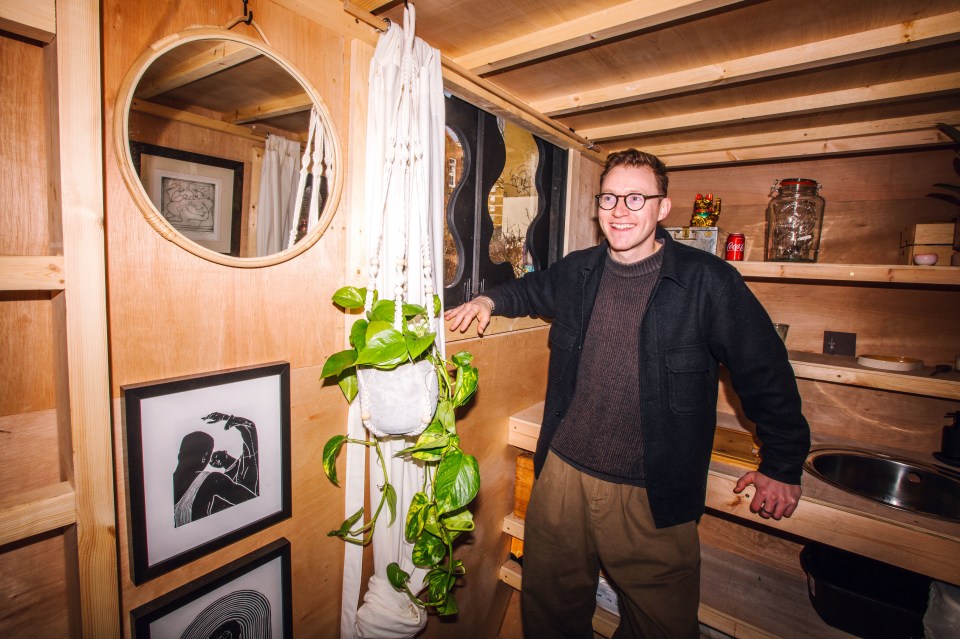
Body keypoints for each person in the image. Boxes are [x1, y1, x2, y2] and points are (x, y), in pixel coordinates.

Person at [445, 149, 810, 639]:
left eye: (636, 198)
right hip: (564, 480)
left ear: (663, 208)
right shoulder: (578, 270)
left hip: (652, 492)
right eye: (610, 197)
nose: (621, 210)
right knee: (549, 611)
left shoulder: (708, 281)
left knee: (662, 627)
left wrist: (782, 465)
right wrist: (489, 298)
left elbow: (765, 372)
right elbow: (530, 290)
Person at [173, 412, 261, 527]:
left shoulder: (243, 464)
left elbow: (250, 436)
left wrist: (226, 418)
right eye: (211, 458)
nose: (213, 461)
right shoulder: (214, 480)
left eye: (214, 457)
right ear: (205, 457)